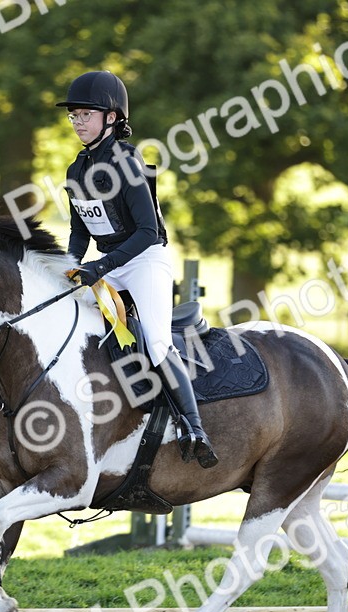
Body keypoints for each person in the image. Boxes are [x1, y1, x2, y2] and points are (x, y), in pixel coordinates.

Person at [57, 70, 218, 469]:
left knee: (159, 342)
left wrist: (100, 267)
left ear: (112, 117)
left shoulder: (128, 162)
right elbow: (79, 230)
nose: (77, 122)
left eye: (85, 115)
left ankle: (193, 427)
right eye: (73, 115)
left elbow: (147, 232)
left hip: (144, 260)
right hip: (106, 265)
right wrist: (70, 265)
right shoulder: (76, 170)